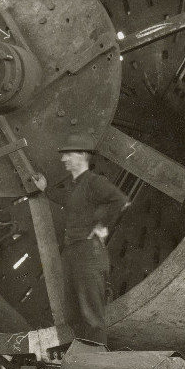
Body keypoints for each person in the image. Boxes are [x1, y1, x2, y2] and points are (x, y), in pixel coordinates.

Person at [57, 133, 130, 347]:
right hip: (72, 252)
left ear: (82, 155)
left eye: (68, 155)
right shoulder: (75, 186)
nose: (63, 160)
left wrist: (102, 225)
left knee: (91, 316)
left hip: (88, 253)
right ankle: (84, 362)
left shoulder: (94, 182)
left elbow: (121, 200)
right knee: (73, 315)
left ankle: (97, 364)